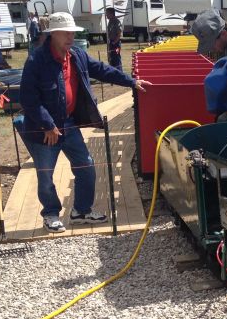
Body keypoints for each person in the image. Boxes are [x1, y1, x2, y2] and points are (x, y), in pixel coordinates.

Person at [19, 12, 152, 233]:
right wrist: (47, 124)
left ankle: (81, 211)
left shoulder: (77, 55)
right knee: (46, 175)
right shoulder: (36, 61)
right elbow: (28, 99)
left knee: (86, 167)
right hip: (44, 131)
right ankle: (51, 214)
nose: (71, 37)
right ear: (53, 34)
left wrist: (131, 81)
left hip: (68, 125)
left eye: (72, 33)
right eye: (66, 33)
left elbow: (102, 70)